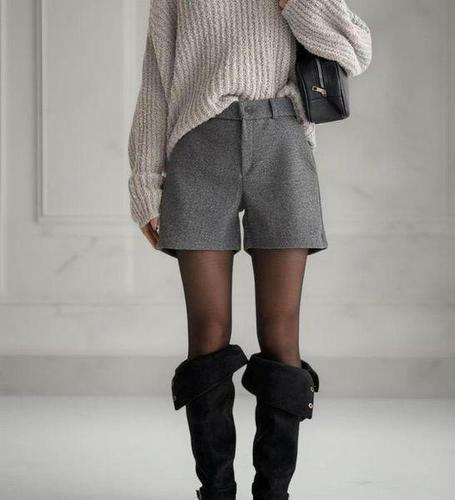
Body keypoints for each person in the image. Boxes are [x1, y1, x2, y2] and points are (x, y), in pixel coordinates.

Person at [128, 1, 372, 498]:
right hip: (198, 144)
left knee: (281, 331)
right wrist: (145, 182)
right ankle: (216, 490)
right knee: (207, 329)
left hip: (283, 144)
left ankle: (273, 493)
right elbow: (157, 77)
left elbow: (354, 50)